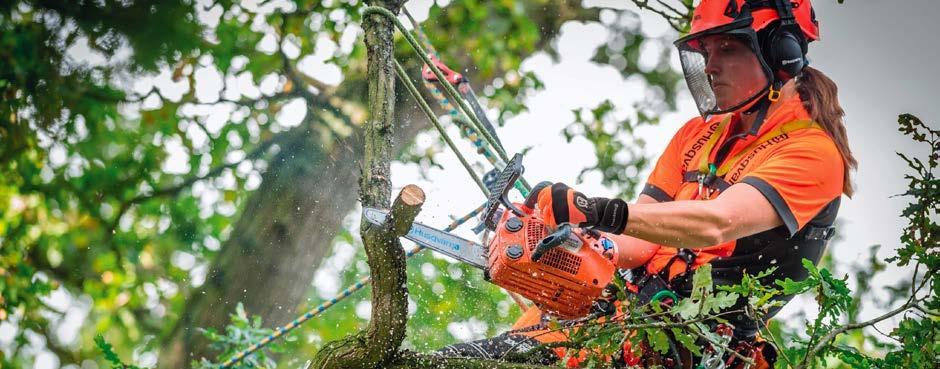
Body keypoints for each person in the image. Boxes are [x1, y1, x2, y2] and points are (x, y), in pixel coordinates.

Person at [435, 0, 856, 367]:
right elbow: (641, 237)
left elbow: (718, 222)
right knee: (457, 361)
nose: (710, 66)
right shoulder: (698, 134)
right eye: (706, 51)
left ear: (781, 52)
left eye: (727, 48)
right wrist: (580, 240)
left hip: (694, 344)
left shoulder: (812, 153)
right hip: (620, 317)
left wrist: (599, 210)